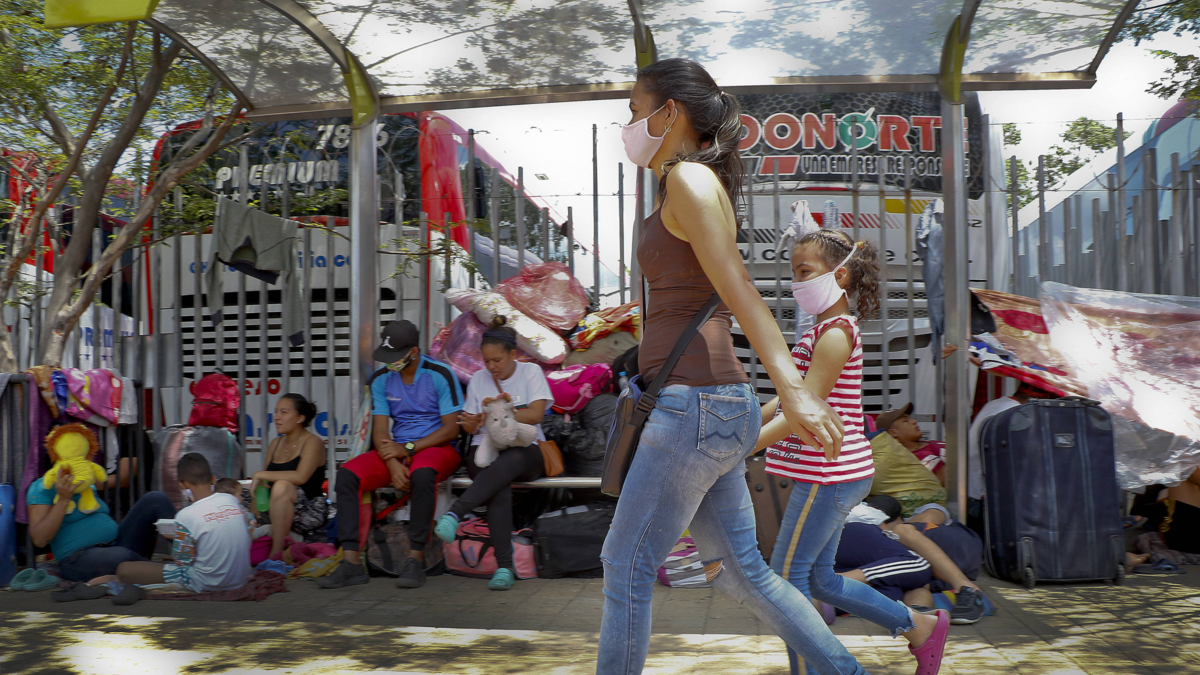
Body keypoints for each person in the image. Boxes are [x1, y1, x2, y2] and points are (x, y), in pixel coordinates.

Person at [595, 58, 873, 675]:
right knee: (742, 573)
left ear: (670, 111)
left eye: (635, 110)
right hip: (705, 407)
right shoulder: (684, 182)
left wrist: (794, 390)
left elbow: (740, 288)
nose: (629, 124)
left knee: (626, 565)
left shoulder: (689, 179)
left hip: (693, 407)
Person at [757, 228, 948, 675]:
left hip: (829, 474)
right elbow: (786, 399)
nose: (796, 283)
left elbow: (802, 410)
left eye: (805, 272)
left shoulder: (835, 334)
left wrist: (744, 445)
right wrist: (742, 428)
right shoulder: (823, 331)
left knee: (786, 580)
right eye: (794, 273)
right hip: (834, 473)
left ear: (840, 276)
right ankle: (919, 625)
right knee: (819, 579)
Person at [319, 320, 464, 590]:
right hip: (395, 450)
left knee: (422, 475)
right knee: (347, 475)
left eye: (396, 356)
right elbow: (380, 429)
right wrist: (394, 464)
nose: (390, 362)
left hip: (436, 447)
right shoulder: (381, 378)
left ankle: (415, 559)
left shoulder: (439, 374)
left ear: (414, 351)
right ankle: (351, 563)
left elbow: (451, 429)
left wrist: (408, 449)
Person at [433, 316, 553, 591]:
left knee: (508, 463)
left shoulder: (531, 372)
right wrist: (472, 422)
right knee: (498, 482)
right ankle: (504, 567)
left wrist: (499, 413)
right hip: (484, 449)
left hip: (525, 450)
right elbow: (470, 426)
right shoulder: (478, 379)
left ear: (513, 354)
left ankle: (455, 514)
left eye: (497, 360)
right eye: (486, 361)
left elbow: (536, 414)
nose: (491, 367)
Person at [109, 453, 255, 605]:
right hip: (240, 579)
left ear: (183, 485)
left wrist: (175, 538)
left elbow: (183, 561)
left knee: (124, 569)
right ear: (213, 479)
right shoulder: (231, 500)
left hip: (206, 583)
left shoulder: (186, 515)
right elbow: (249, 530)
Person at [28, 444, 175, 583]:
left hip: (117, 545)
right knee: (121, 556)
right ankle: (174, 573)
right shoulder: (41, 486)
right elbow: (40, 539)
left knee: (155, 499)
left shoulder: (86, 482)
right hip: (78, 558)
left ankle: (185, 555)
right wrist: (63, 499)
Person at [835, 495, 985, 625]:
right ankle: (918, 615)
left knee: (901, 532)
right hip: (938, 570)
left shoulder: (902, 526)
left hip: (958, 548)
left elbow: (934, 512)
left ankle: (967, 587)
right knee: (910, 582)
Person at [966, 381, 1055, 534]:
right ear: (1036, 400)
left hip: (973, 493)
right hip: (985, 501)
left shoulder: (997, 404)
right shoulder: (1016, 414)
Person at [246, 393, 327, 558]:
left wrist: (259, 474)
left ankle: (277, 556)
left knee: (282, 485)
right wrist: (255, 499)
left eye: (284, 412)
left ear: (300, 418)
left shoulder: (313, 442)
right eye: (276, 412)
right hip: (274, 506)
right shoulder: (275, 443)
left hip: (306, 510)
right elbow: (264, 482)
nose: (276, 417)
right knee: (230, 493)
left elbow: (300, 477)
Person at [876, 403, 946, 485]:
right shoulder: (918, 460)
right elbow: (951, 483)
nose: (914, 421)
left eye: (910, 418)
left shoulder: (926, 445)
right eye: (906, 421)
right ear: (893, 432)